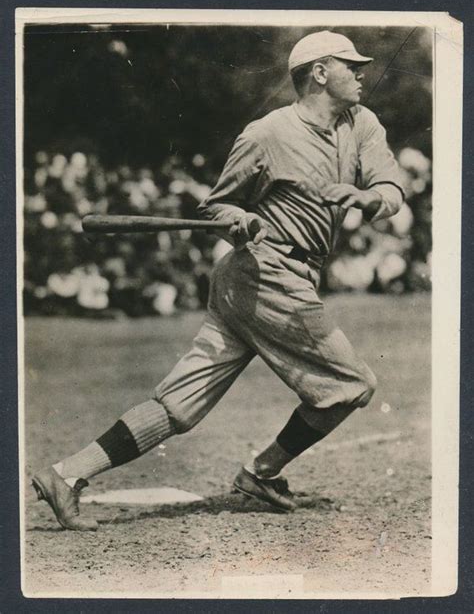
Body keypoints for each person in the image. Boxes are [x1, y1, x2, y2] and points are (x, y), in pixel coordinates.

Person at [32, 31, 404, 530]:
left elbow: (391, 187)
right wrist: (238, 219)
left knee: (180, 405)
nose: (361, 73)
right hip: (262, 271)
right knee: (353, 382)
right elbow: (216, 204)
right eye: (350, 65)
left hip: (279, 278)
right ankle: (262, 471)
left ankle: (67, 473)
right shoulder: (266, 134)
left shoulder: (362, 123)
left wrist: (370, 199)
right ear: (319, 72)